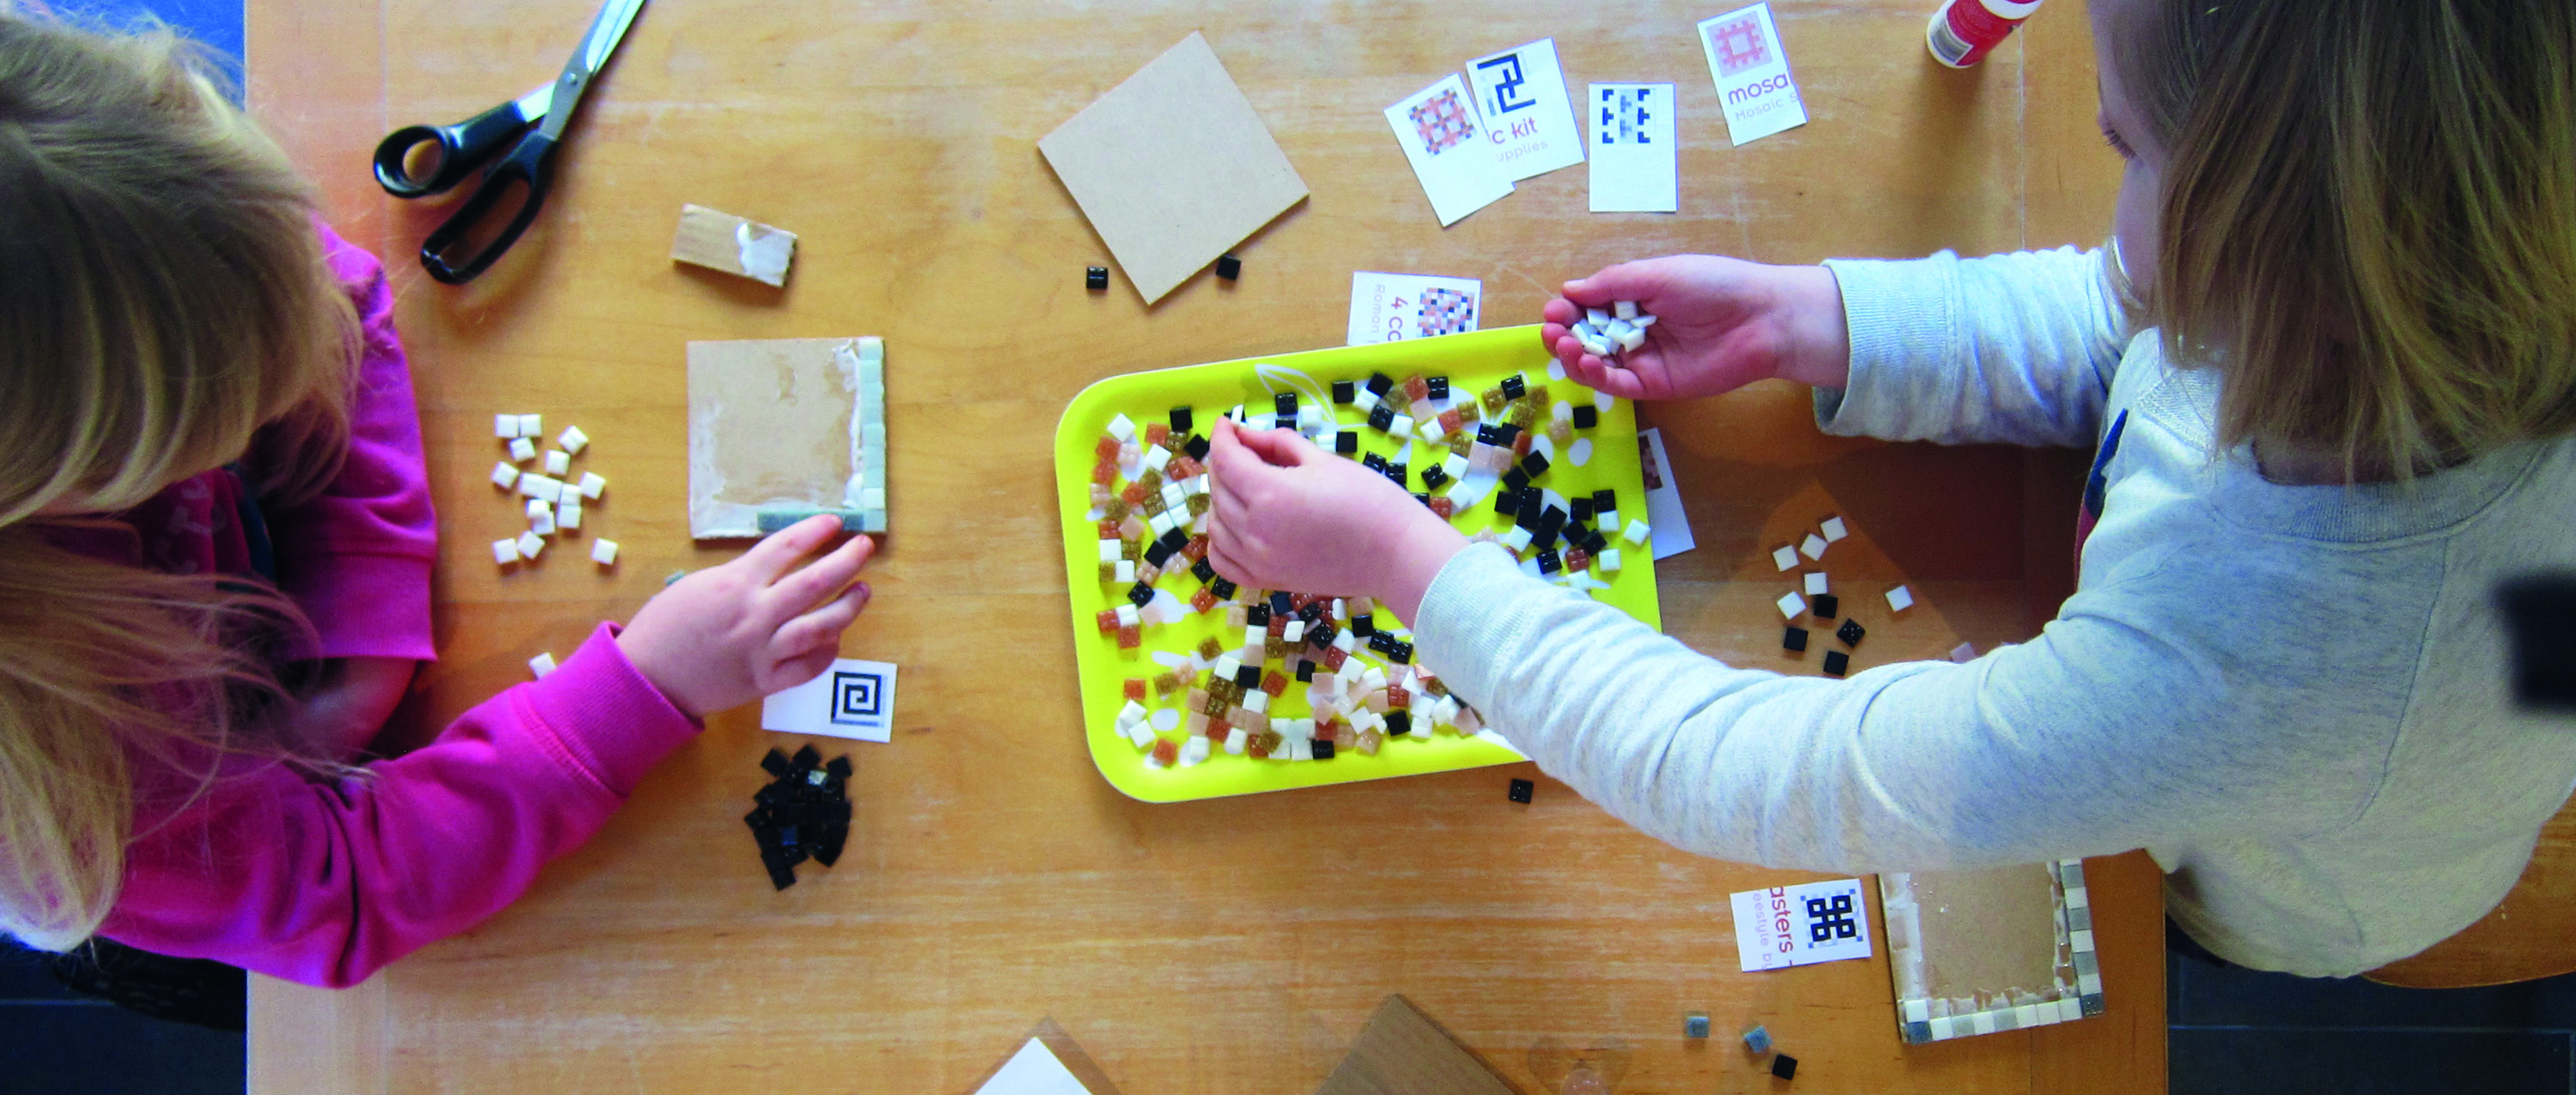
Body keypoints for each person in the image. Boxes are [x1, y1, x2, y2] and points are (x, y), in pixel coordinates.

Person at [1205, 0, 2576, 978]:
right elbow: (2121, 320)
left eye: (2125, 149)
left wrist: (1404, 563)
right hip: (2291, 736)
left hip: (2281, 889)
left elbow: (1750, 774)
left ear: (2271, 243)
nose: (2113, 204)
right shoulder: (2408, 304)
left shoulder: (2242, 675)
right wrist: (1813, 323)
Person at [0, 16, 874, 988]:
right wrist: (643, 690)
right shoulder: (62, 800)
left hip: (263, 654)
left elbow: (337, 297)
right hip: (223, 870)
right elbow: (340, 891)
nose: (267, 403)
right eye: (207, 424)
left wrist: (362, 627)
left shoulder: (141, 214)